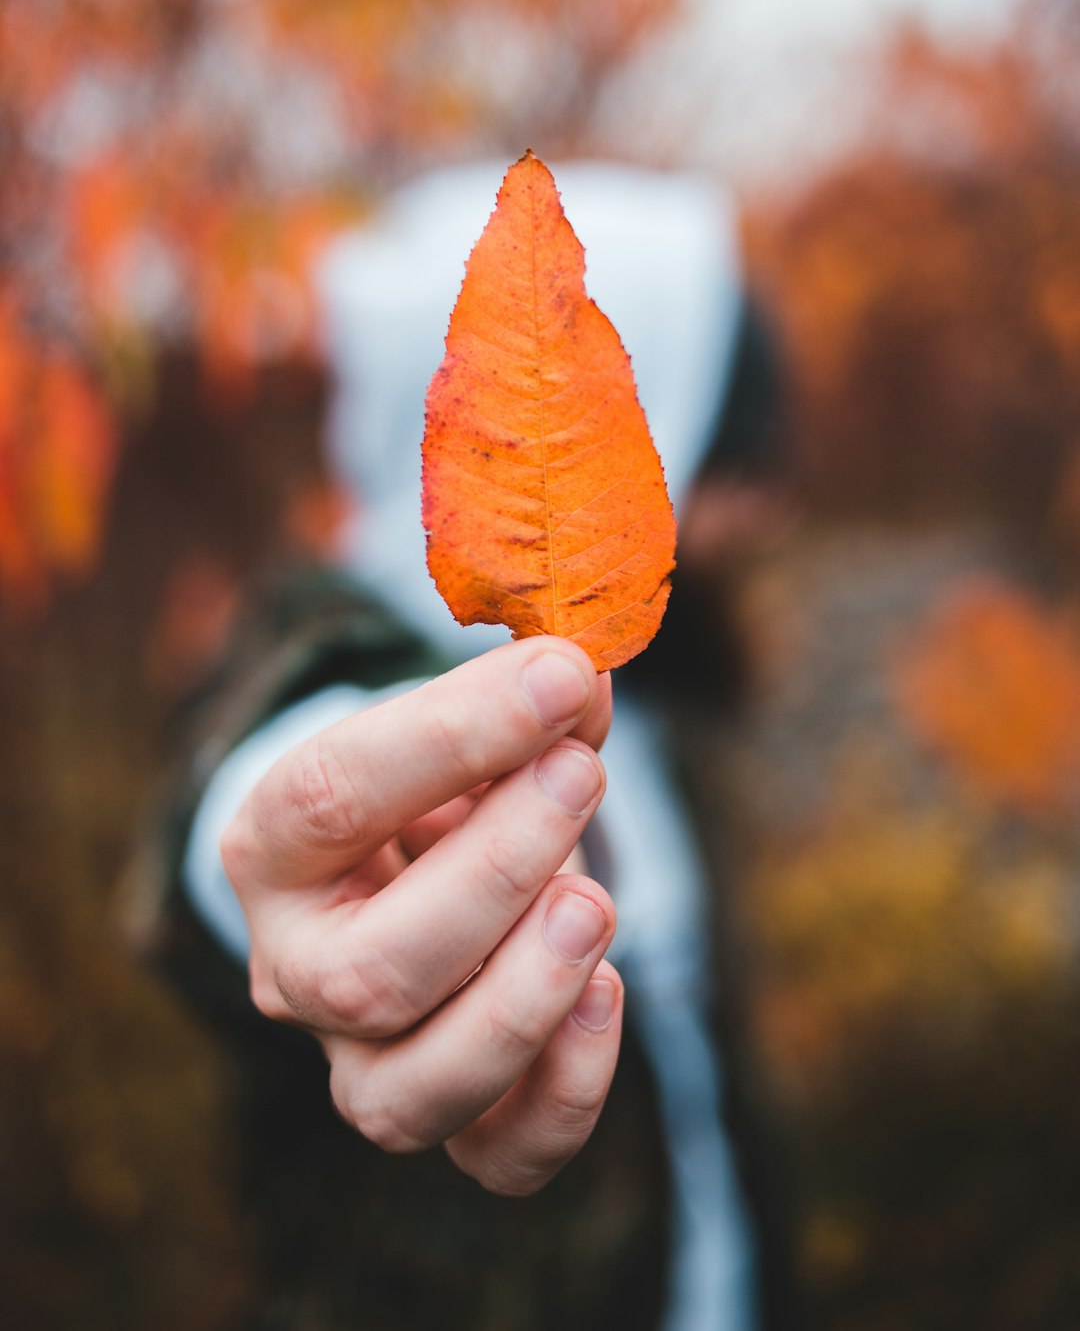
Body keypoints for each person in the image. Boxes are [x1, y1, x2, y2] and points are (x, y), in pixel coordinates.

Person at [146, 161, 789, 1331]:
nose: (770, 516)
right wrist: (277, 850)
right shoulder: (356, 660)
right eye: (738, 465)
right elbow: (261, 777)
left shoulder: (652, 724)